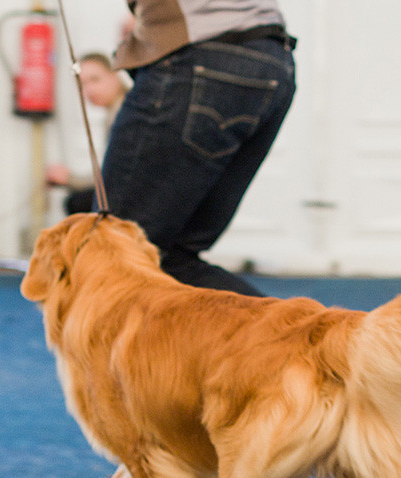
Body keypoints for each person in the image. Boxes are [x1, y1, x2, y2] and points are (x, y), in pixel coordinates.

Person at [101, 0, 296, 296]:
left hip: (202, 55)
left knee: (110, 252)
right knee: (170, 257)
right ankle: (294, 341)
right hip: (270, 57)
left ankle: (291, 339)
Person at [46, 53, 130, 214]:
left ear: (115, 75)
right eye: (82, 85)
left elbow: (114, 174)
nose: (88, 90)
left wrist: (70, 179)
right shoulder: (116, 111)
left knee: (77, 203)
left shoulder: (123, 113)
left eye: (95, 80)